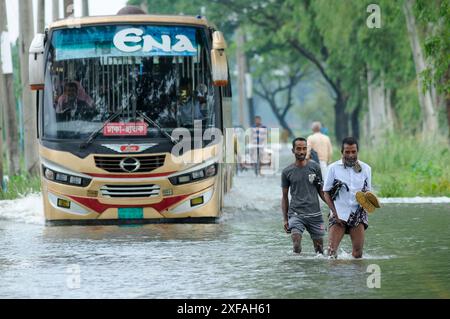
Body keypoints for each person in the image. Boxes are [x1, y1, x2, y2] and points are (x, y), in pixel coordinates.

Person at [323, 137, 372, 259]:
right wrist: (334, 213)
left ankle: (354, 276)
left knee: (358, 254)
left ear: (357, 152)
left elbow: (368, 193)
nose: (351, 155)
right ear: (342, 152)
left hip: (358, 213)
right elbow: (326, 193)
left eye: (353, 152)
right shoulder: (333, 168)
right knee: (331, 253)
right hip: (338, 212)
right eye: (347, 152)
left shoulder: (366, 169)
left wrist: (369, 203)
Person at [282, 137, 329, 255]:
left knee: (319, 251)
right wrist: (285, 219)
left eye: (304, 149)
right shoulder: (287, 172)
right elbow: (284, 197)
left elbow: (321, 191)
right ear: (293, 150)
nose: (301, 152)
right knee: (296, 245)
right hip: (296, 214)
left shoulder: (315, 168)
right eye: (298, 149)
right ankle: (298, 271)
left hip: (315, 214)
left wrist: (332, 208)